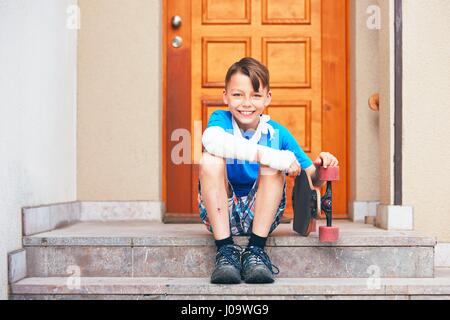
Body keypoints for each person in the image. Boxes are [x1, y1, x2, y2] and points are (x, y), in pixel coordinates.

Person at [198, 57, 339, 284]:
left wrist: (322, 165)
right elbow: (211, 140)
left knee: (274, 167)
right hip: (220, 214)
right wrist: (272, 156)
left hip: (261, 218)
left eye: (255, 95)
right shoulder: (220, 120)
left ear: (267, 98)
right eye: (237, 95)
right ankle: (225, 251)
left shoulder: (277, 133)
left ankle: (255, 250)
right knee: (209, 159)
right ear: (225, 96)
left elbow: (311, 177)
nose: (246, 103)